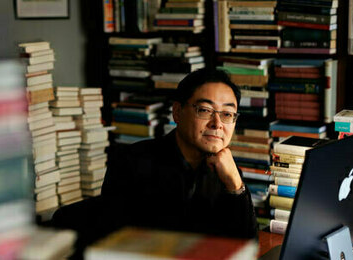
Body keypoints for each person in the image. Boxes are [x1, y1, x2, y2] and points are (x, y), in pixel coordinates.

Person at [100, 68, 258, 239]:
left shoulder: (226, 171)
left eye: (227, 114)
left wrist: (235, 185)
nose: (217, 124)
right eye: (205, 110)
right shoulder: (130, 164)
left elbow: (248, 246)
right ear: (177, 112)